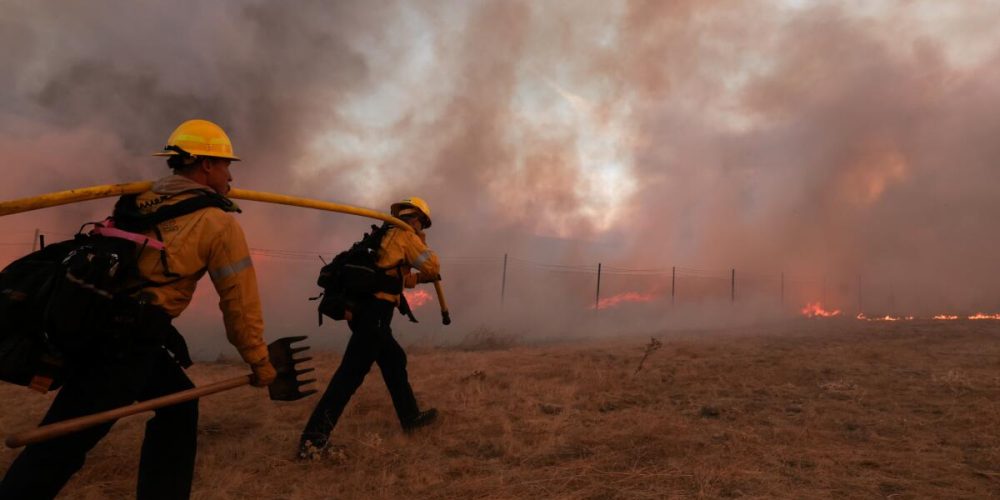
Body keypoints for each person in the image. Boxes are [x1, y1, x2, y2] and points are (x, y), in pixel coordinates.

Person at [0, 119, 276, 500]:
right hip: (124, 345)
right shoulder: (216, 223)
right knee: (62, 444)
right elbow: (239, 304)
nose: (230, 174)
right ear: (207, 165)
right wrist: (260, 361)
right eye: (227, 164)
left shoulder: (140, 200)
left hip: (107, 325)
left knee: (179, 406)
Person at [299, 196, 441, 457]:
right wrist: (420, 241)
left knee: (395, 360)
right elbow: (432, 266)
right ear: (418, 219)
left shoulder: (384, 236)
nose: (422, 227)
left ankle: (410, 417)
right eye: (423, 223)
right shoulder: (406, 235)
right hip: (375, 312)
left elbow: (395, 277)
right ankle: (313, 441)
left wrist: (412, 280)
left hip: (366, 310)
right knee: (350, 375)